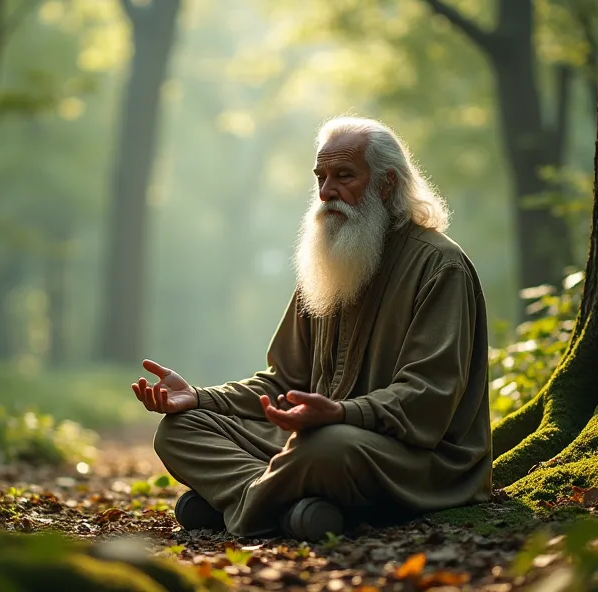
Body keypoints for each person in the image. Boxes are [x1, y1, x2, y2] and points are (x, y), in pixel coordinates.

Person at [130, 115, 492, 541]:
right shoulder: (327, 262)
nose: (326, 193)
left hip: (413, 459)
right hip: (311, 443)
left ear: (387, 184)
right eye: (320, 177)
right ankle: (293, 508)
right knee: (181, 429)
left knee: (326, 447)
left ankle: (245, 509)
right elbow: (283, 380)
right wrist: (199, 397)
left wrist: (340, 413)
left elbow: (428, 399)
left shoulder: (439, 266)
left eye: (343, 176)